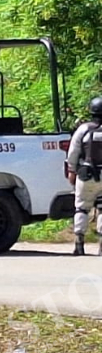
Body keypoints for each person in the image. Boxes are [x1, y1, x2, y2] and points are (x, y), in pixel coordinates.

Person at [66, 97, 102, 256]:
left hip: (86, 175)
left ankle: (79, 243)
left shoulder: (83, 129)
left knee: (81, 207)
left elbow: (73, 152)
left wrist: (71, 170)